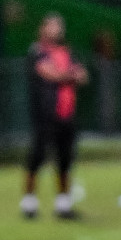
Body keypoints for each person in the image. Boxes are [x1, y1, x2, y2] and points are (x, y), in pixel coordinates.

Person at [22, 13, 88, 221]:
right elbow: (49, 74)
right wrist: (69, 75)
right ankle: (29, 202)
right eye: (52, 26)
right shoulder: (37, 51)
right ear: (42, 28)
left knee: (65, 160)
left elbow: (83, 76)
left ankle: (63, 204)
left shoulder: (67, 51)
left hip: (66, 114)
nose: (57, 30)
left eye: (59, 26)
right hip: (45, 115)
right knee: (37, 157)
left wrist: (67, 74)